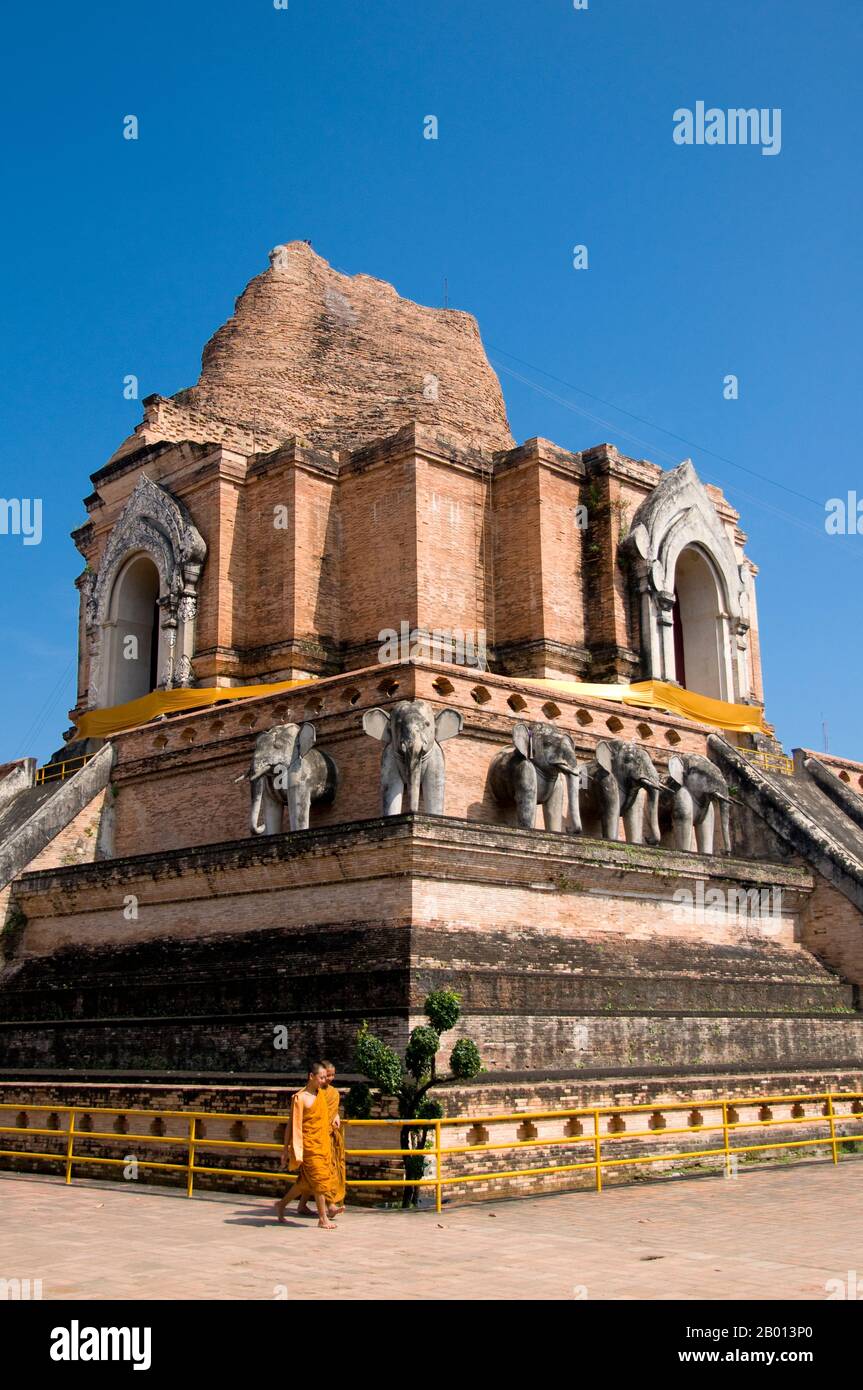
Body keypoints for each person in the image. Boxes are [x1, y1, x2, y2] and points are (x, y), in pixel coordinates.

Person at [276, 1062, 340, 1229]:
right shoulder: (300, 1098)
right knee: (319, 1181)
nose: (324, 1080)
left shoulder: (321, 1095)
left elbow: (326, 1114)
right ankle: (323, 1218)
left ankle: (281, 1205)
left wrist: (336, 1115)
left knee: (304, 1184)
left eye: (326, 1077)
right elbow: (292, 1124)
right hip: (309, 1147)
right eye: (321, 1077)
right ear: (311, 1077)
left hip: (323, 1144)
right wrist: (285, 1149)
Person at [297, 1060, 346, 1216]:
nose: (330, 1078)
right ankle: (328, 1208)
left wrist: (336, 1114)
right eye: (327, 1075)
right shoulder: (311, 1093)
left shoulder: (333, 1093)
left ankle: (304, 1205)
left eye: (332, 1075)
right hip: (314, 1139)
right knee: (317, 1175)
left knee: (317, 1176)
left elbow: (328, 1111)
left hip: (328, 1139)